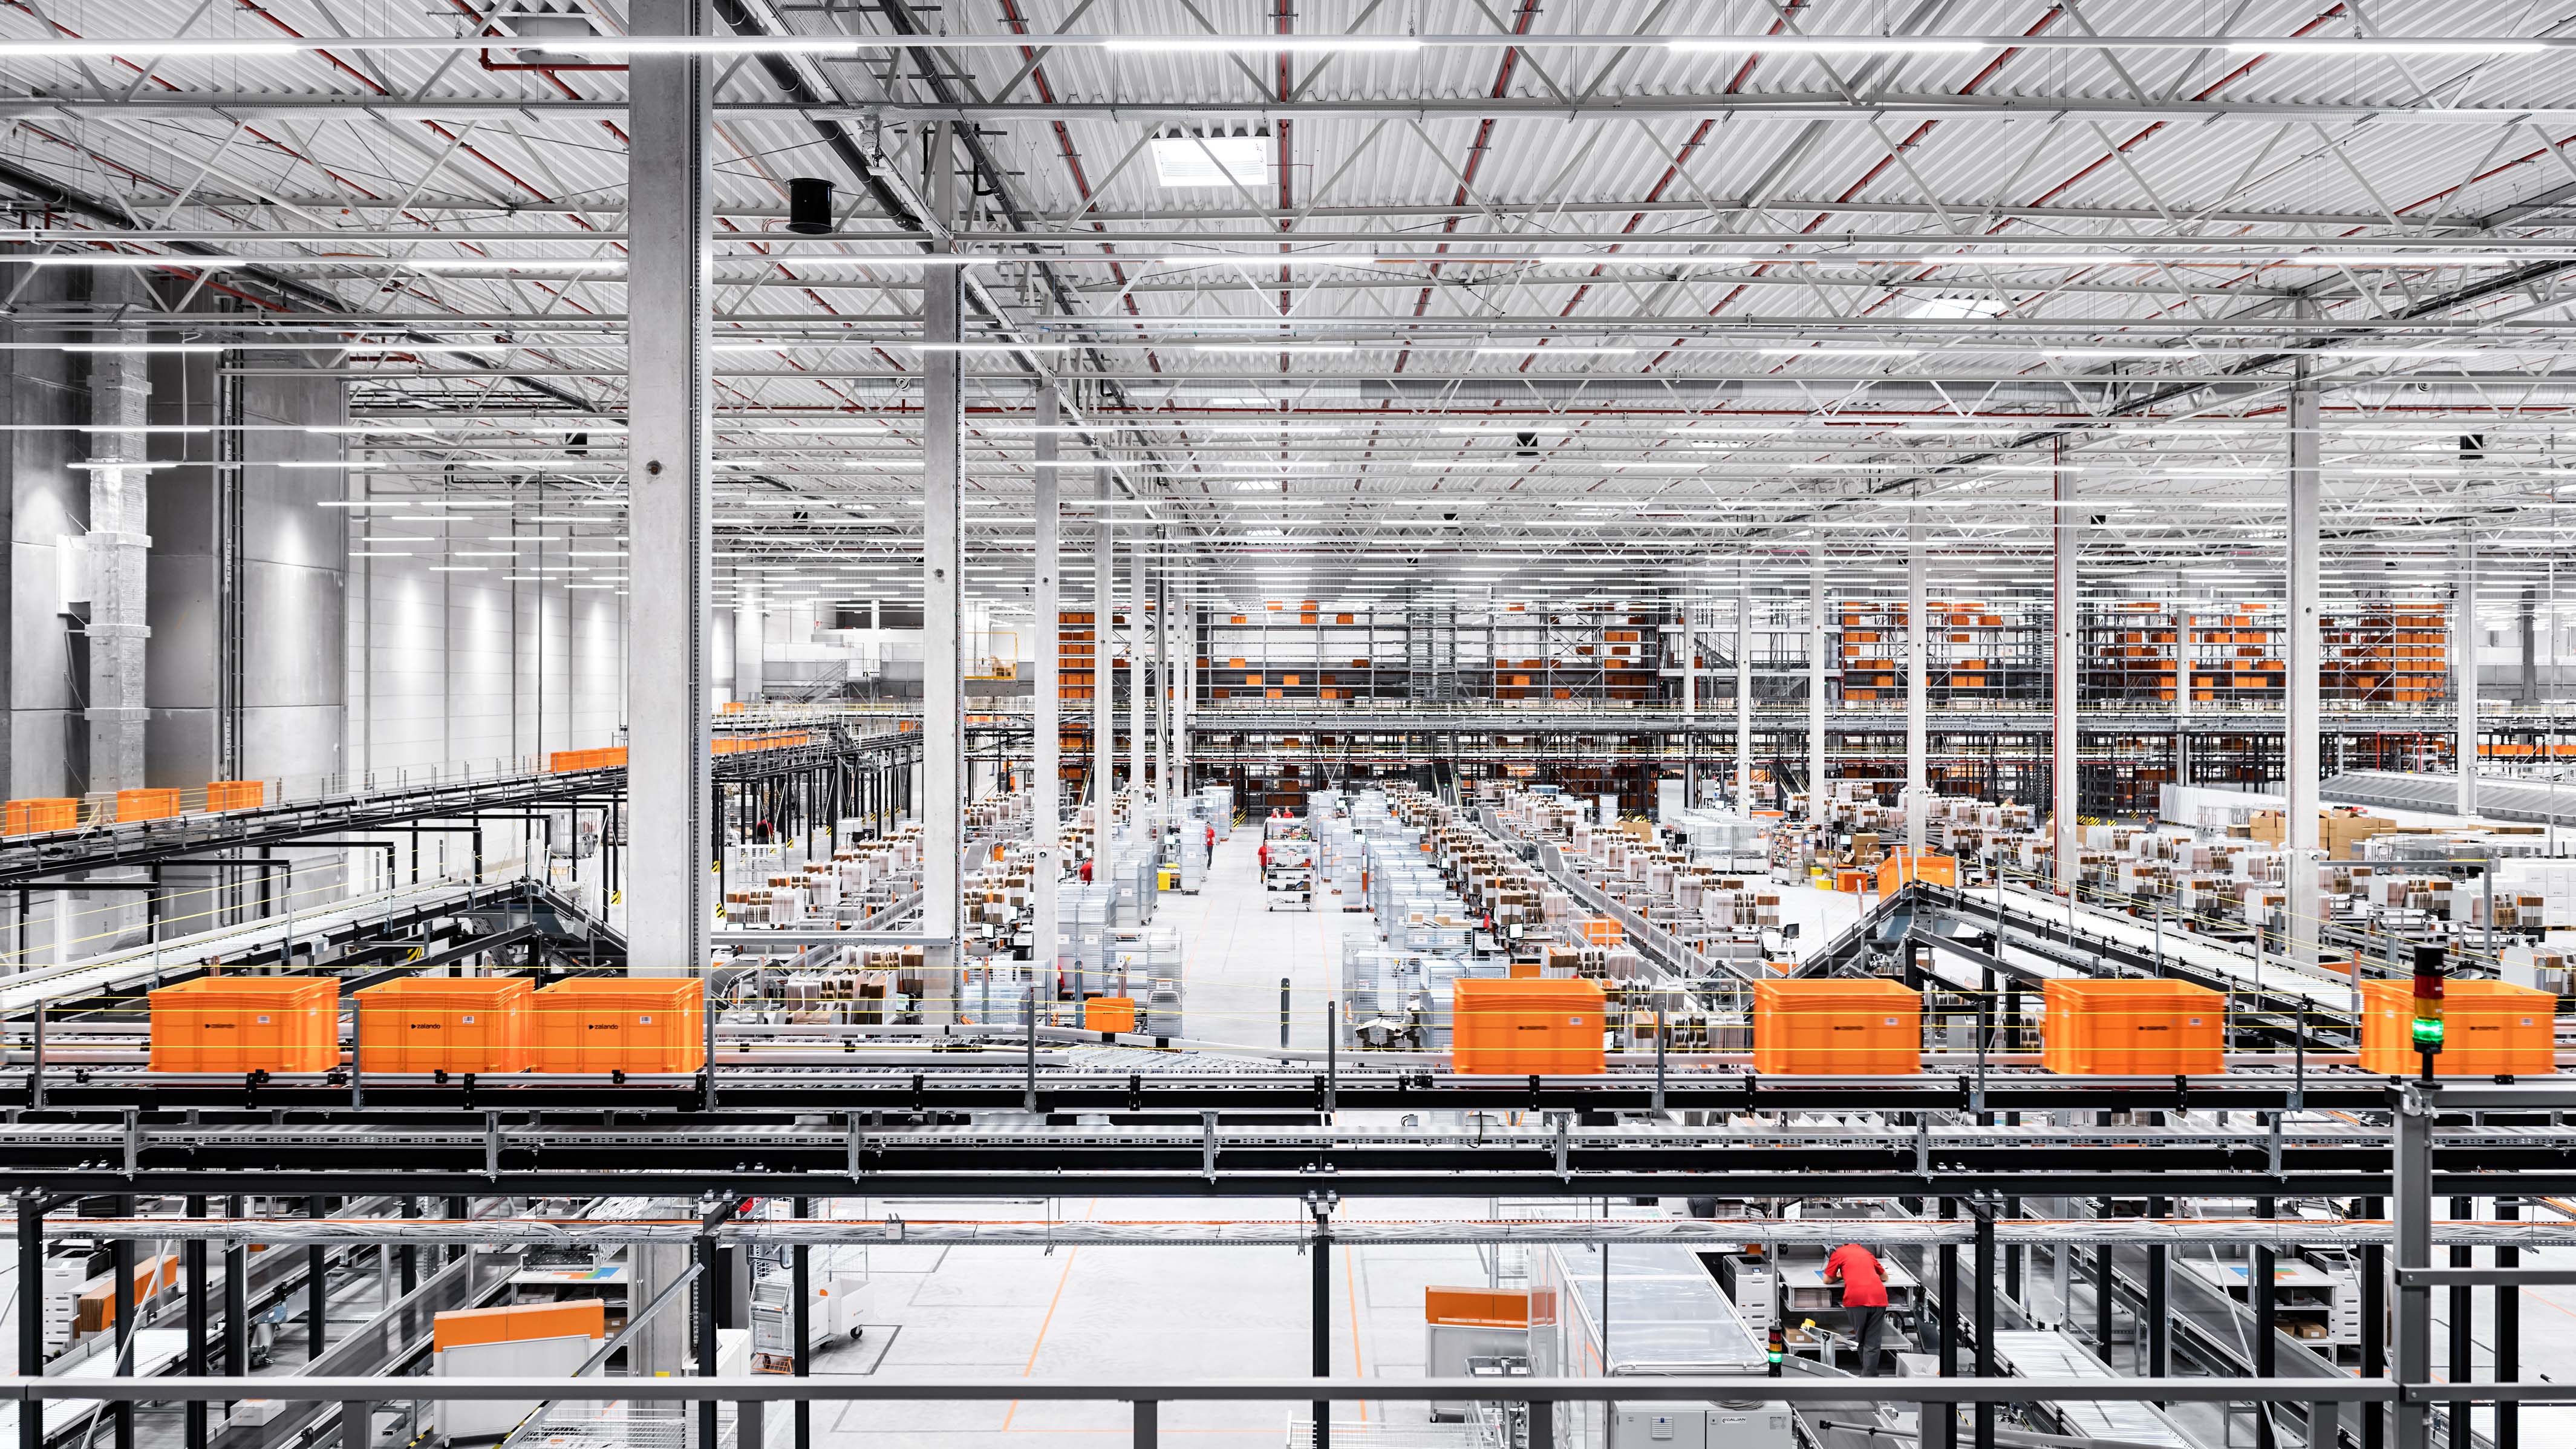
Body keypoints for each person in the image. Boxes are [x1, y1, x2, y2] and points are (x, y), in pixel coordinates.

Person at [1823, 1241, 1889, 1376]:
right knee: (1872, 1343)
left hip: (1857, 1300)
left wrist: (1841, 1275)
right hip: (1879, 1298)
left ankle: (1866, 1379)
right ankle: (1869, 1378)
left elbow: (1827, 1280)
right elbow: (1885, 1277)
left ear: (1844, 1242)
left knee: (1861, 1340)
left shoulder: (1840, 1253)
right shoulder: (1867, 1253)